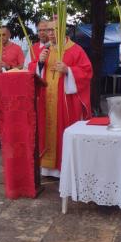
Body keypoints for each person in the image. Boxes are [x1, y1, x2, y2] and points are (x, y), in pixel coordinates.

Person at [28, 19, 92, 177]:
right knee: (46, 131)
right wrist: (40, 64)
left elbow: (87, 72)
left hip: (65, 102)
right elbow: (31, 71)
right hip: (46, 101)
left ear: (63, 30)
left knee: (64, 132)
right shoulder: (45, 50)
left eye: (53, 30)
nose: (49, 33)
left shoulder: (76, 50)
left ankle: (65, 167)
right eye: (48, 30)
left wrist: (69, 70)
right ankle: (47, 168)